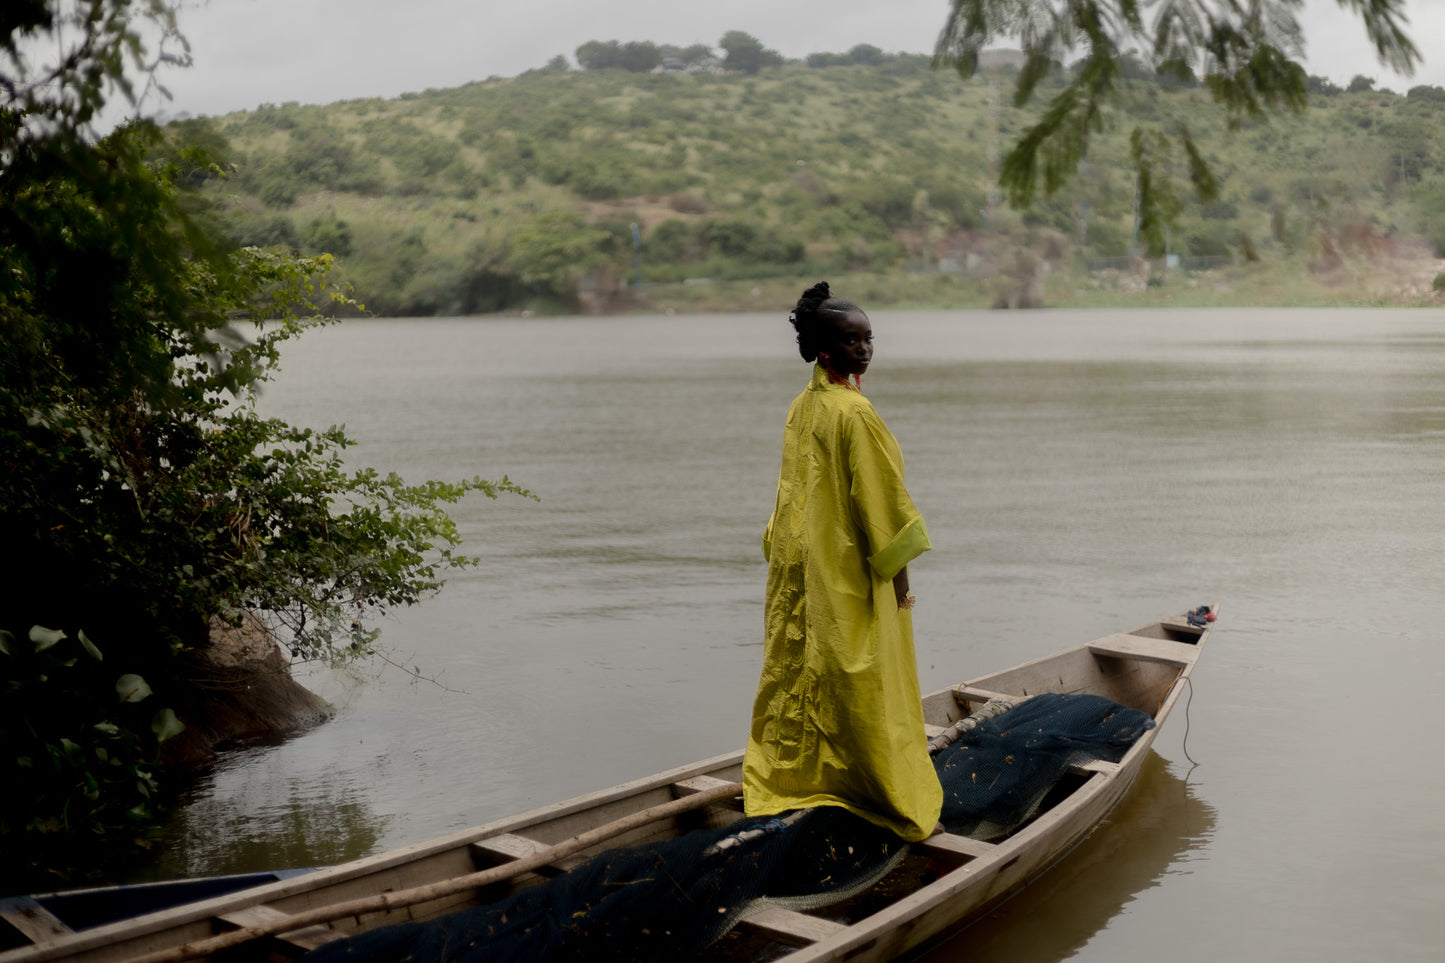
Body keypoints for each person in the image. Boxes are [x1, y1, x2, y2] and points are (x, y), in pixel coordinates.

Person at [741, 281, 943, 842]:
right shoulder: (855, 414)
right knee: (868, 677)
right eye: (852, 341)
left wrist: (781, 555)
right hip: (847, 572)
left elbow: (790, 494)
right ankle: (886, 793)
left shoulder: (802, 407)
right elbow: (880, 503)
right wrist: (899, 577)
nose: (866, 349)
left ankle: (799, 778)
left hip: (803, 569)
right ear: (825, 350)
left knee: (807, 672)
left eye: (869, 338)